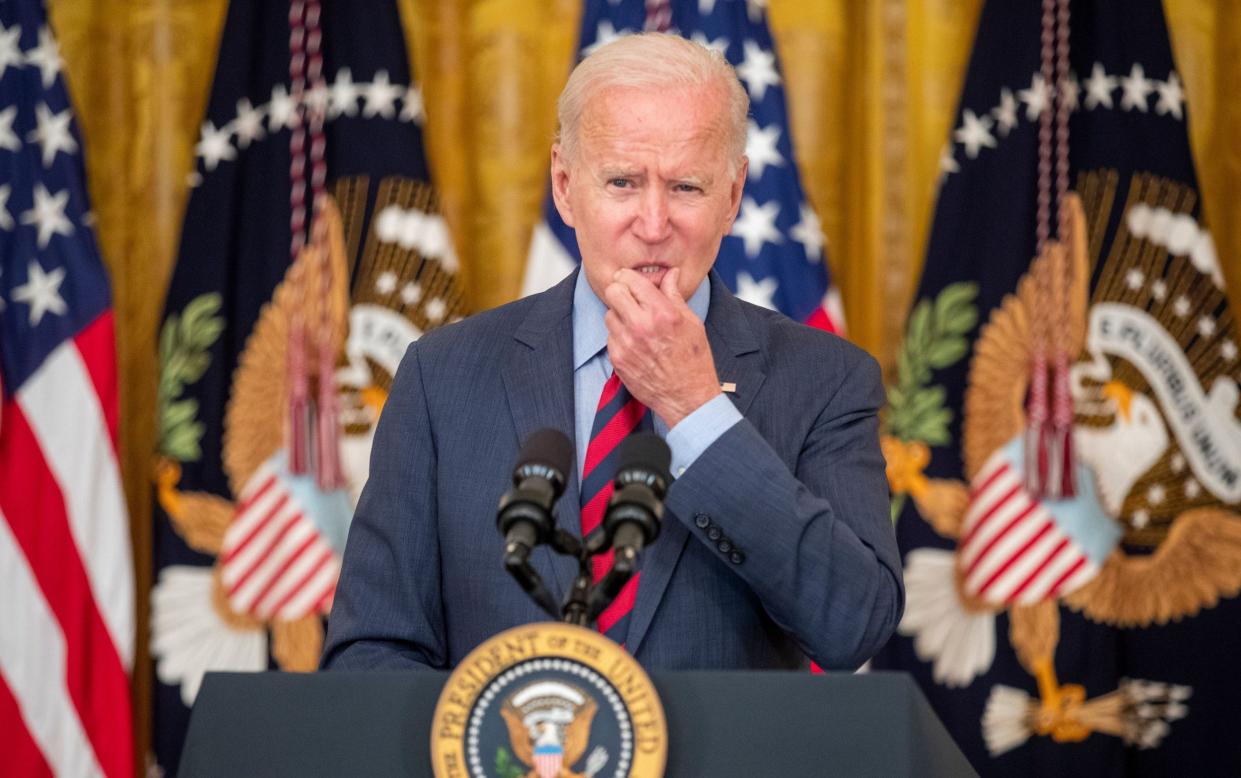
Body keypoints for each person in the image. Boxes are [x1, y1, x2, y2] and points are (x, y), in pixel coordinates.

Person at [321, 33, 903, 672]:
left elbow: (854, 625)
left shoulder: (826, 379)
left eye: (686, 187)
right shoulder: (444, 376)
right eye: (622, 182)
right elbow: (370, 648)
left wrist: (696, 411)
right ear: (565, 187)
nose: (653, 224)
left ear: (733, 196)